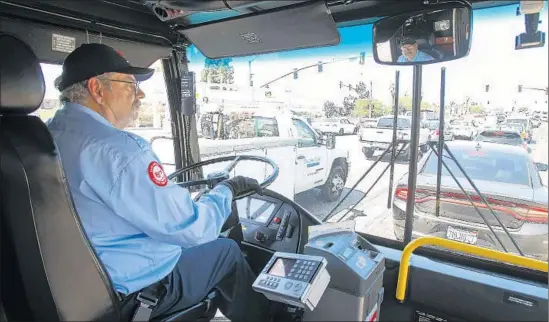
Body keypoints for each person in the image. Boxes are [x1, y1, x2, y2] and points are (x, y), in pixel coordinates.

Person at [47, 43, 270, 322]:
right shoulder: (120, 152)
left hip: (67, 288)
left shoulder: (46, 135)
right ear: (97, 89)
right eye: (129, 84)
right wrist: (226, 190)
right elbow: (194, 231)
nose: (139, 93)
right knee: (226, 251)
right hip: (130, 292)